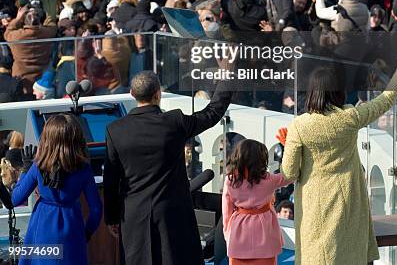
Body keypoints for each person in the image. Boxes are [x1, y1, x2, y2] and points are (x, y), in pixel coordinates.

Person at [280, 39, 397, 265]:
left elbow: (289, 171)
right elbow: (386, 99)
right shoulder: (350, 117)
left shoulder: (300, 126)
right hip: (348, 202)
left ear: (311, 92)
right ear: (337, 91)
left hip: (314, 205)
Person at [103, 70, 234, 265]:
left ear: (131, 93)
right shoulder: (174, 122)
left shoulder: (115, 130)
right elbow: (212, 112)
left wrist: (111, 218)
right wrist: (228, 76)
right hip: (172, 214)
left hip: (134, 215)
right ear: (158, 94)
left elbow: (111, 179)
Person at [12, 114, 102, 265]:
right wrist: (86, 233)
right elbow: (96, 209)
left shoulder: (38, 166)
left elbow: (16, 199)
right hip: (72, 227)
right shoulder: (83, 168)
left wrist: (24, 170)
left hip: (42, 226)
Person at [222, 139, 290, 265]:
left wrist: (227, 234)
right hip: (265, 232)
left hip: (239, 231)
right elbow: (289, 175)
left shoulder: (230, 180)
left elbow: (227, 211)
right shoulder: (270, 180)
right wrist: (289, 147)